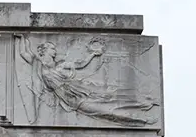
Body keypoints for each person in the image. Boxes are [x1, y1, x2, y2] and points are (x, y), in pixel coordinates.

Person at [17, 35, 158, 126]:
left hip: (81, 89)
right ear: (44, 51)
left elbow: (79, 64)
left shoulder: (60, 64)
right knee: (105, 111)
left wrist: (92, 54)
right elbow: (24, 52)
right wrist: (20, 37)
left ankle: (144, 102)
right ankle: (142, 120)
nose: (55, 51)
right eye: (52, 48)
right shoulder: (38, 65)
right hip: (72, 99)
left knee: (112, 95)